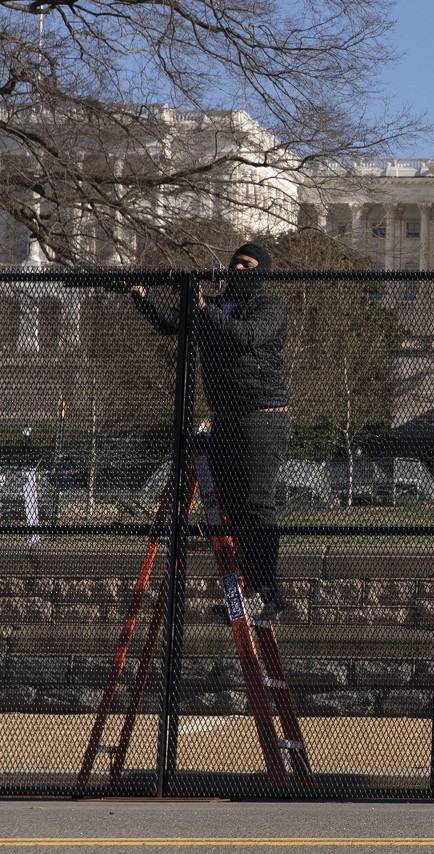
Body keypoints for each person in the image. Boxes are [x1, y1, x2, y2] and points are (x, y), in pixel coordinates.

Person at [130, 243, 291, 620]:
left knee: (256, 503)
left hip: (262, 416)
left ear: (262, 271)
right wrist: (143, 295)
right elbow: (173, 322)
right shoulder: (215, 306)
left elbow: (246, 336)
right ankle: (251, 588)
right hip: (225, 418)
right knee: (231, 508)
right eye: (235, 264)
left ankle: (267, 592)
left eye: (247, 265)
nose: (238, 270)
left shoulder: (271, 307)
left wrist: (203, 308)